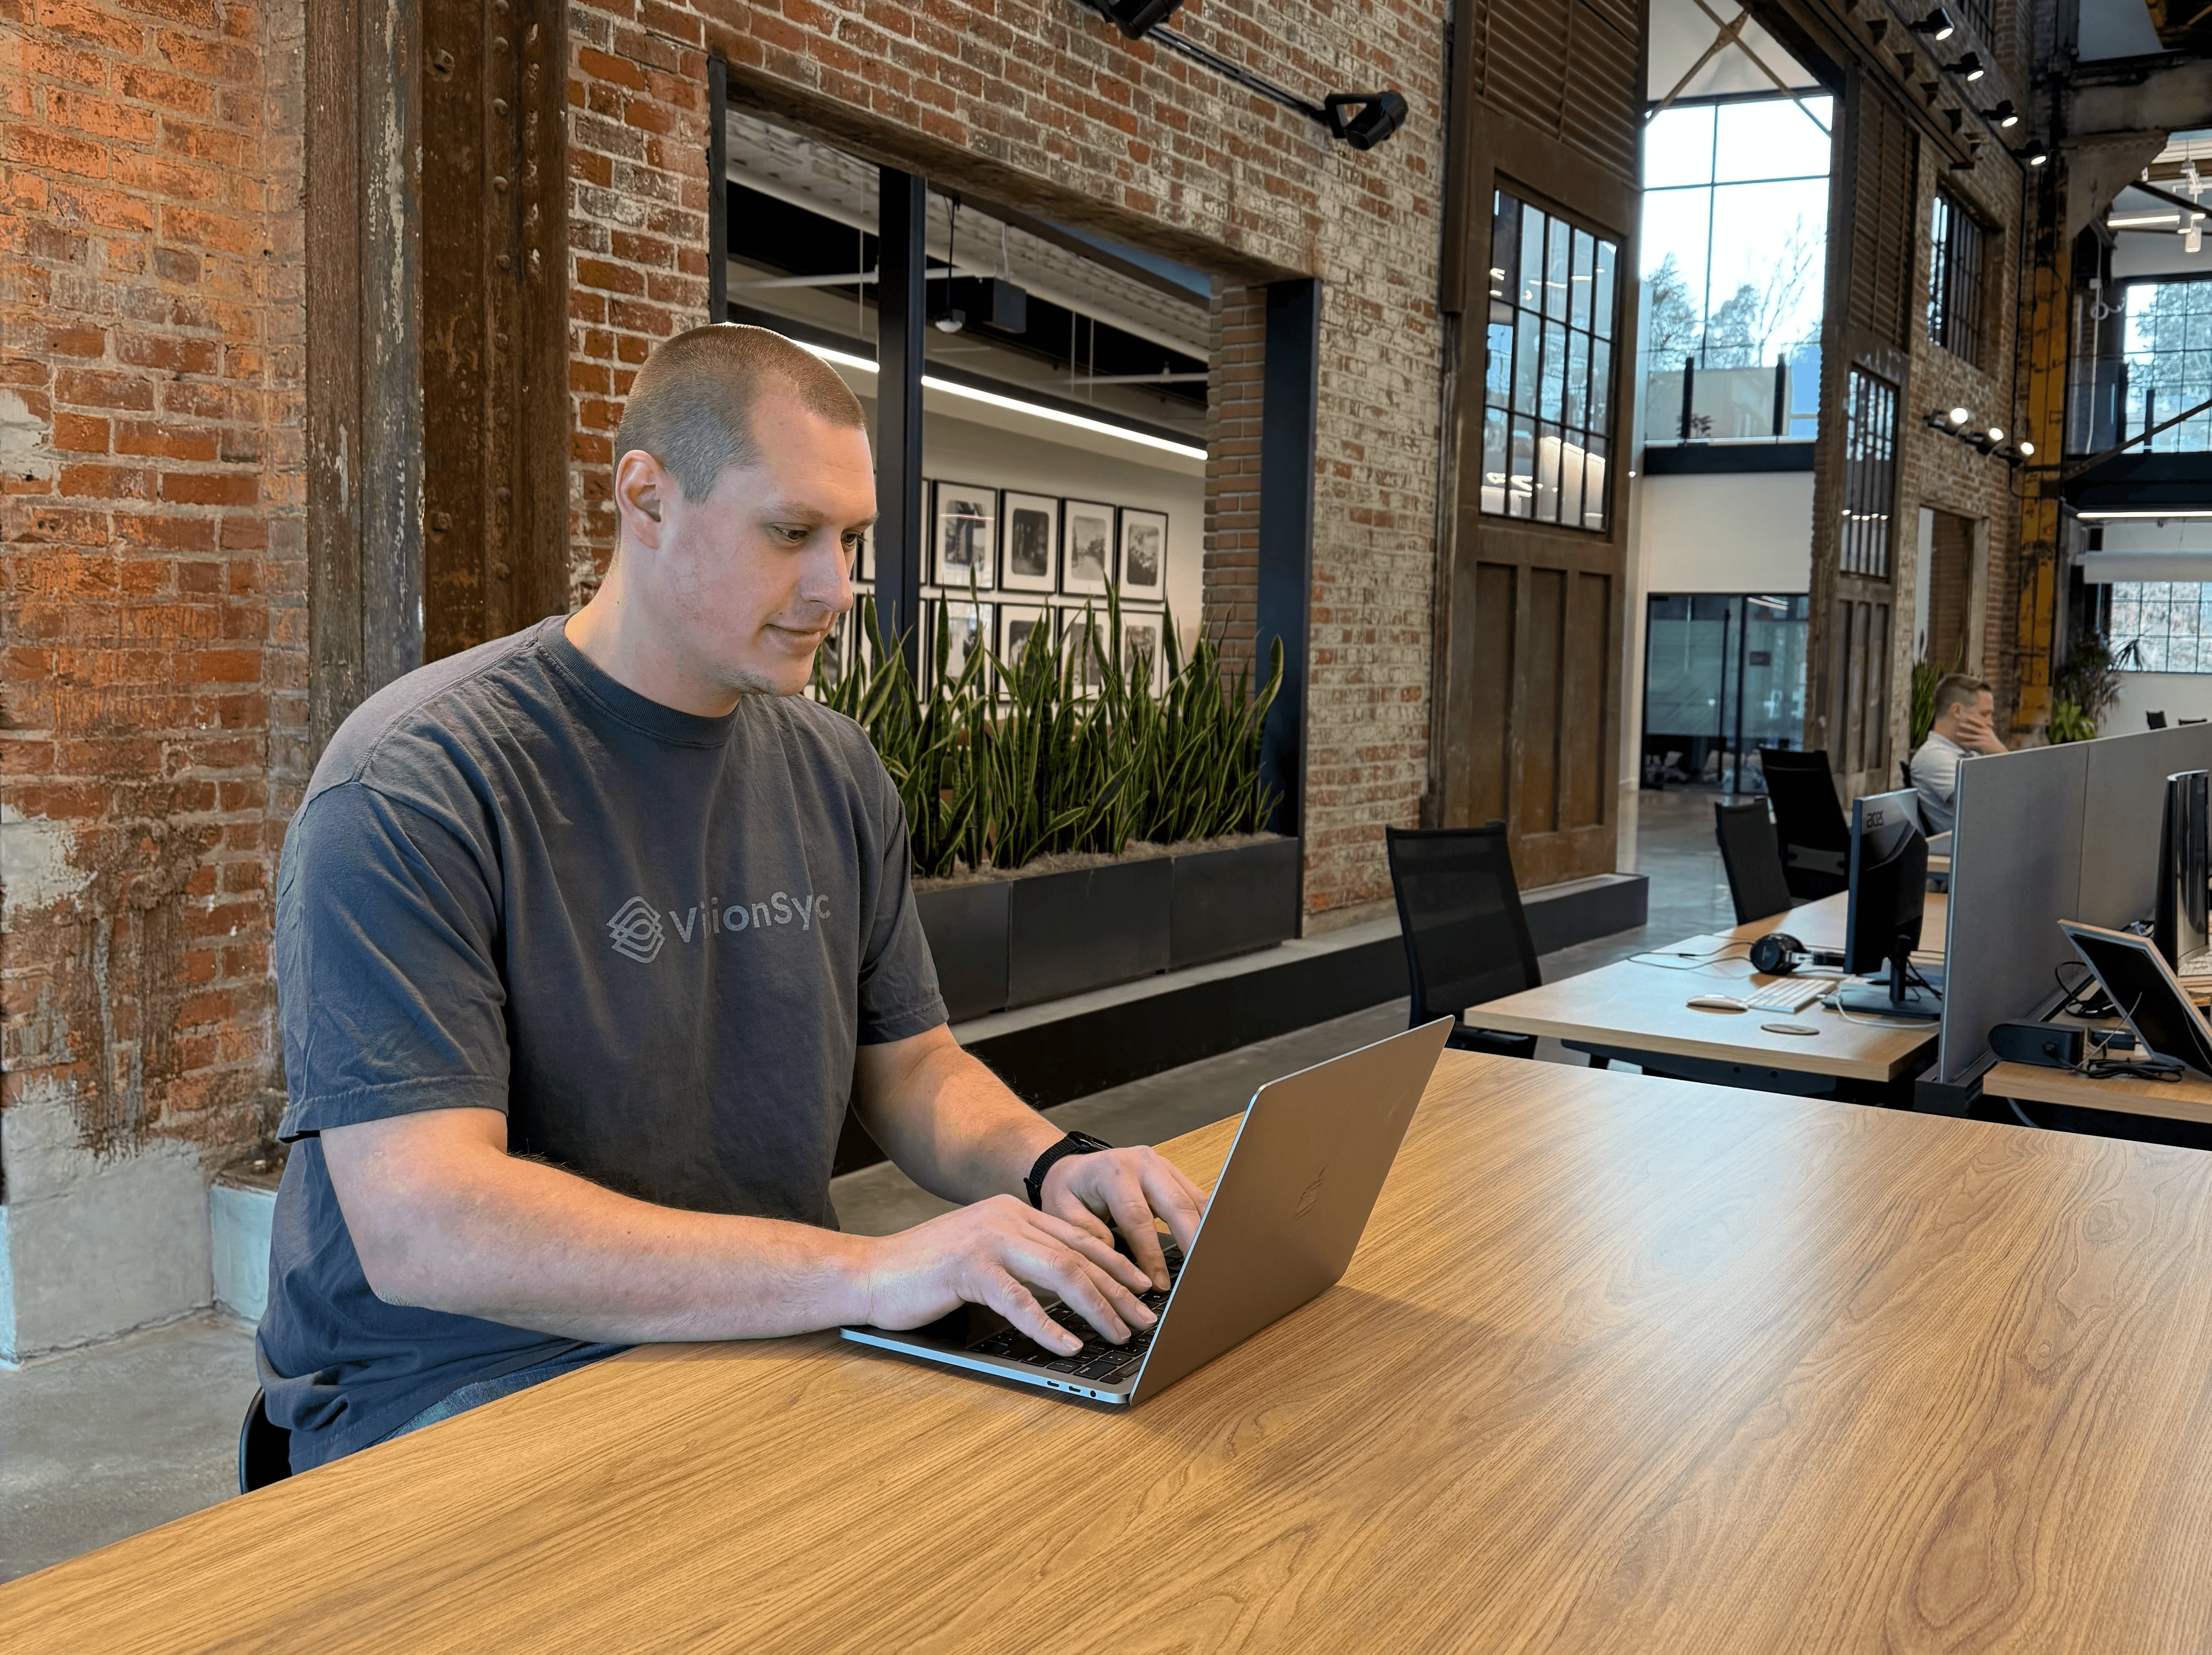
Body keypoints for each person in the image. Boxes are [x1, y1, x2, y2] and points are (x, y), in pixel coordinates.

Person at [255, 324, 1207, 1472]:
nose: (836, 589)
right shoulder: (416, 783)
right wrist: (871, 1268)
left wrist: (1060, 1165)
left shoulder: (837, 766)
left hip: (770, 1330)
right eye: (791, 533)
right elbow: (429, 1228)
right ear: (646, 500)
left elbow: (912, 1069)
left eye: (850, 540)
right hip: (463, 1385)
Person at [1908, 672, 2008, 836]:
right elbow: (1985, 808)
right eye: (1984, 714)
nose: (1991, 723)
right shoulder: (1934, 757)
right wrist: (2001, 754)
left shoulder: (1969, 754)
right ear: (1957, 711)